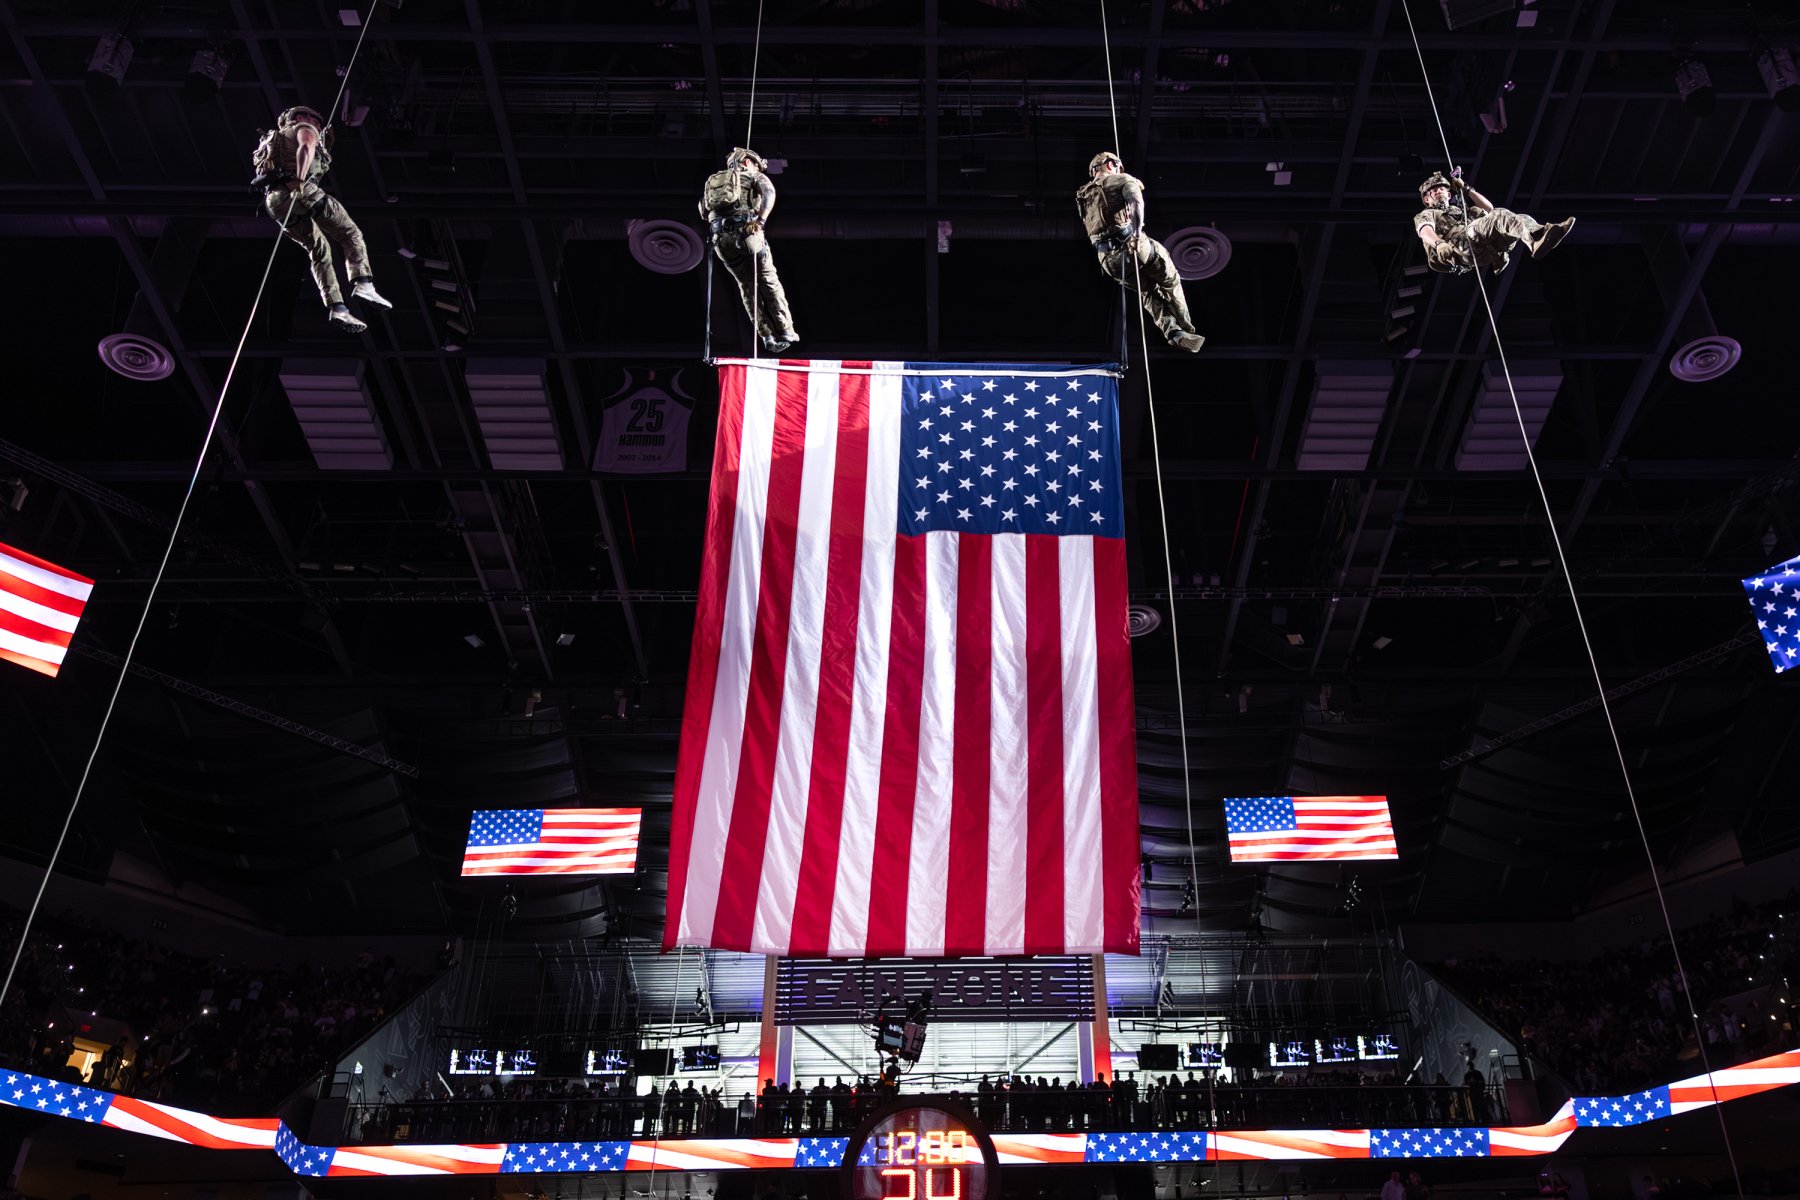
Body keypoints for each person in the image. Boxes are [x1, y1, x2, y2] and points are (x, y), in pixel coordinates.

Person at [250, 105, 391, 332]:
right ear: (301, 117)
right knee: (349, 232)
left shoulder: (272, 140)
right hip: (301, 190)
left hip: (275, 203)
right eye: (315, 120)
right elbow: (305, 147)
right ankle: (363, 282)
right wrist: (300, 180)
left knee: (318, 249)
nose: (317, 124)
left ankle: (337, 307)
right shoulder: (303, 127)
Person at [1075, 152, 1205, 353]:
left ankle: (1174, 333)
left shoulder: (1082, 195)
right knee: (1170, 280)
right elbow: (1136, 202)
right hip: (1130, 243)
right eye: (1117, 165)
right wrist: (1136, 234)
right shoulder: (1120, 179)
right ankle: (1187, 327)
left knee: (1148, 292)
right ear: (1109, 164)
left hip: (1108, 260)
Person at [698, 147, 799, 354]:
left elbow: (704, 212)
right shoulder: (751, 175)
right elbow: (769, 192)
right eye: (756, 165)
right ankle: (786, 330)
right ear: (747, 162)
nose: (758, 168)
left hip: (721, 242)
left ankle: (766, 335)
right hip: (747, 235)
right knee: (769, 280)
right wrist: (760, 221)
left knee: (747, 287)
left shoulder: (713, 183)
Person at [1413, 171, 1574, 276]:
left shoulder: (1464, 211)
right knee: (1500, 215)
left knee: (1518, 218)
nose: (1438, 191)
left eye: (1441, 188)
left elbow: (1488, 209)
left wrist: (1466, 189)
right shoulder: (1429, 213)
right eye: (1433, 191)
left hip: (1490, 249)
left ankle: (1540, 236)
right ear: (1426, 199)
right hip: (1462, 246)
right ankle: (1533, 241)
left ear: (1449, 194)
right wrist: (1439, 243)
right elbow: (1424, 230)